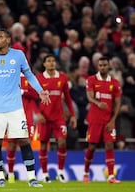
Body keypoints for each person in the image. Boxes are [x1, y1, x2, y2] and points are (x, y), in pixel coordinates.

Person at [0, 28, 50, 187]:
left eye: (0, 37)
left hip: (15, 109)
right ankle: (0, 178)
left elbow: (29, 74)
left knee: (24, 140)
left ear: (8, 39)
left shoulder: (18, 56)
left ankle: (32, 178)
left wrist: (40, 91)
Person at [34, 54, 77, 183]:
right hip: (44, 117)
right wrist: (37, 113)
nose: (52, 63)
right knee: (43, 145)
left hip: (59, 117)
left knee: (62, 142)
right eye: (49, 61)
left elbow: (68, 99)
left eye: (53, 61)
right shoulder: (39, 78)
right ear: (44, 64)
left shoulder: (63, 78)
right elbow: (32, 98)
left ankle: (60, 172)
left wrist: (73, 115)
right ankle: (45, 174)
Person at [83, 56, 121, 184]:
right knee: (92, 146)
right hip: (94, 119)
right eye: (100, 65)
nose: (102, 67)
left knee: (109, 144)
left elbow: (117, 103)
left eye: (105, 65)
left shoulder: (115, 83)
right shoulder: (92, 80)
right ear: (98, 67)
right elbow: (89, 96)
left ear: (109, 66)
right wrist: (98, 103)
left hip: (108, 120)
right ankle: (86, 173)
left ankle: (111, 176)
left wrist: (112, 120)